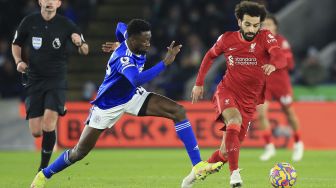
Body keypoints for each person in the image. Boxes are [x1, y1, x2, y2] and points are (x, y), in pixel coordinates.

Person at [31, 19, 223, 188]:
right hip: (107, 106)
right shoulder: (124, 59)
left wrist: (119, 40)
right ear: (132, 40)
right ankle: (44, 174)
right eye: (144, 40)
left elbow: (119, 26)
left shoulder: (128, 36)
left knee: (178, 111)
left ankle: (198, 166)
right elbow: (137, 79)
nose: (148, 43)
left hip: (131, 96)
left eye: (149, 38)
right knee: (79, 152)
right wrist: (165, 63)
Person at [181, 1, 287, 188]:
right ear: (239, 21)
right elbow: (209, 56)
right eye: (247, 24)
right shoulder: (227, 39)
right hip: (227, 92)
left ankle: (193, 175)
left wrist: (273, 64)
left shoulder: (266, 37)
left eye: (255, 25)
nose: (251, 29)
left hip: (249, 101)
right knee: (234, 122)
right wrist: (198, 83)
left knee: (226, 153)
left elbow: (279, 55)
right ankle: (235, 176)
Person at [12, 0, 89, 172]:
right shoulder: (29, 22)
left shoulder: (66, 24)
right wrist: (18, 61)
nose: (49, 2)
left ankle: (43, 169)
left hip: (57, 79)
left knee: (48, 123)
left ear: (59, 3)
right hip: (35, 79)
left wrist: (80, 43)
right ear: (40, 2)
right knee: (36, 131)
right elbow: (16, 44)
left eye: (53, 0)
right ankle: (56, 108)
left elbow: (85, 50)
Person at [258, 14, 304, 162]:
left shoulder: (281, 42)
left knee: (289, 113)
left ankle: (298, 143)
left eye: (269, 24)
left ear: (275, 27)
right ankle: (269, 147)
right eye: (263, 24)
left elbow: (289, 64)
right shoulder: (256, 42)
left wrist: (274, 63)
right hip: (265, 83)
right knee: (261, 113)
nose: (266, 27)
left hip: (280, 83)